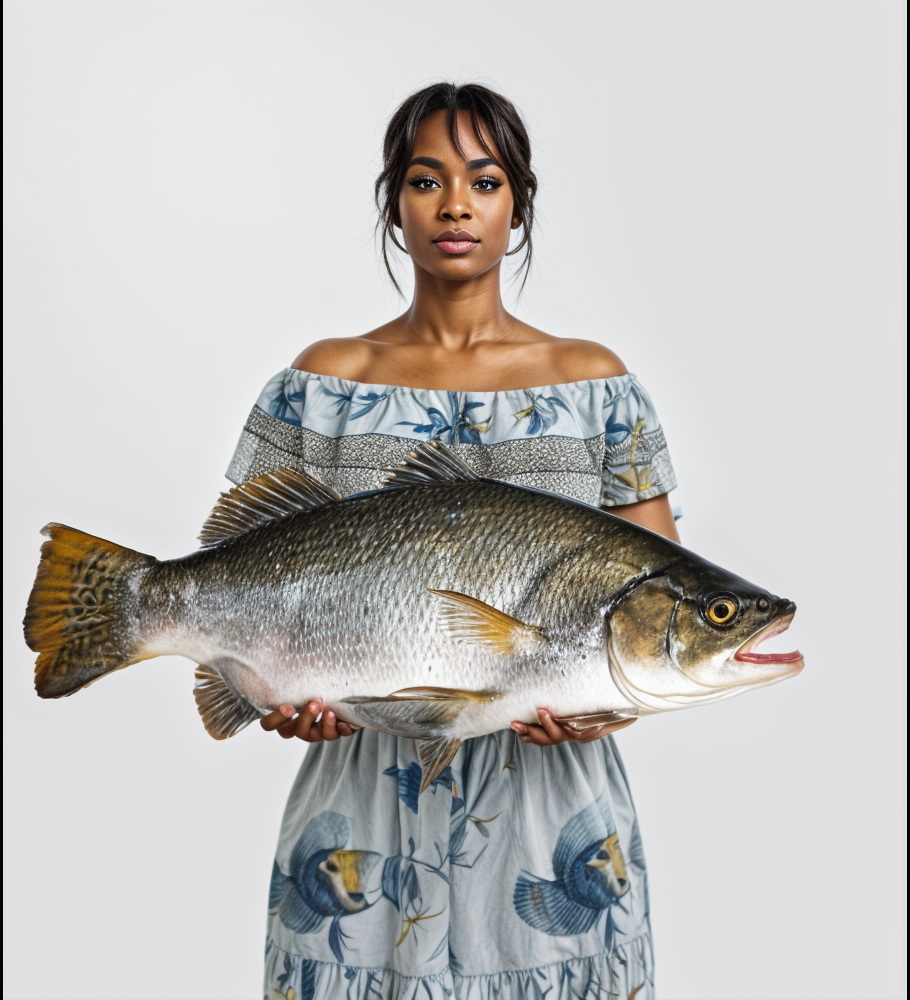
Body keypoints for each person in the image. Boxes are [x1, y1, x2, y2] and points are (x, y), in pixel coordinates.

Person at [228, 82, 680, 1000]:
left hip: (555, 822)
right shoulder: (318, 383)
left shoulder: (597, 387)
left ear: (519, 204)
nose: (456, 205)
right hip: (360, 810)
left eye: (484, 179)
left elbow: (660, 618)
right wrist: (267, 689)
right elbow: (248, 574)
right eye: (427, 180)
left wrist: (597, 708)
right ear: (395, 204)